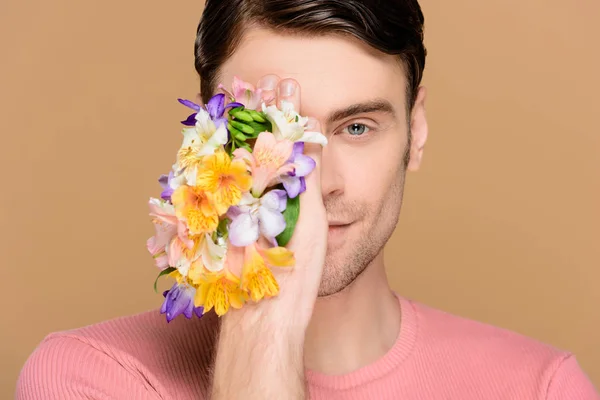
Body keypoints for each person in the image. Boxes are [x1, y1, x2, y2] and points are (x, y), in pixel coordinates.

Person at [16, 0, 599, 399]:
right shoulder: (91, 378)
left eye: (357, 128)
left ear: (414, 132)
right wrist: (262, 321)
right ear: (203, 138)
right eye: (269, 129)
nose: (316, 184)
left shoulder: (541, 388)